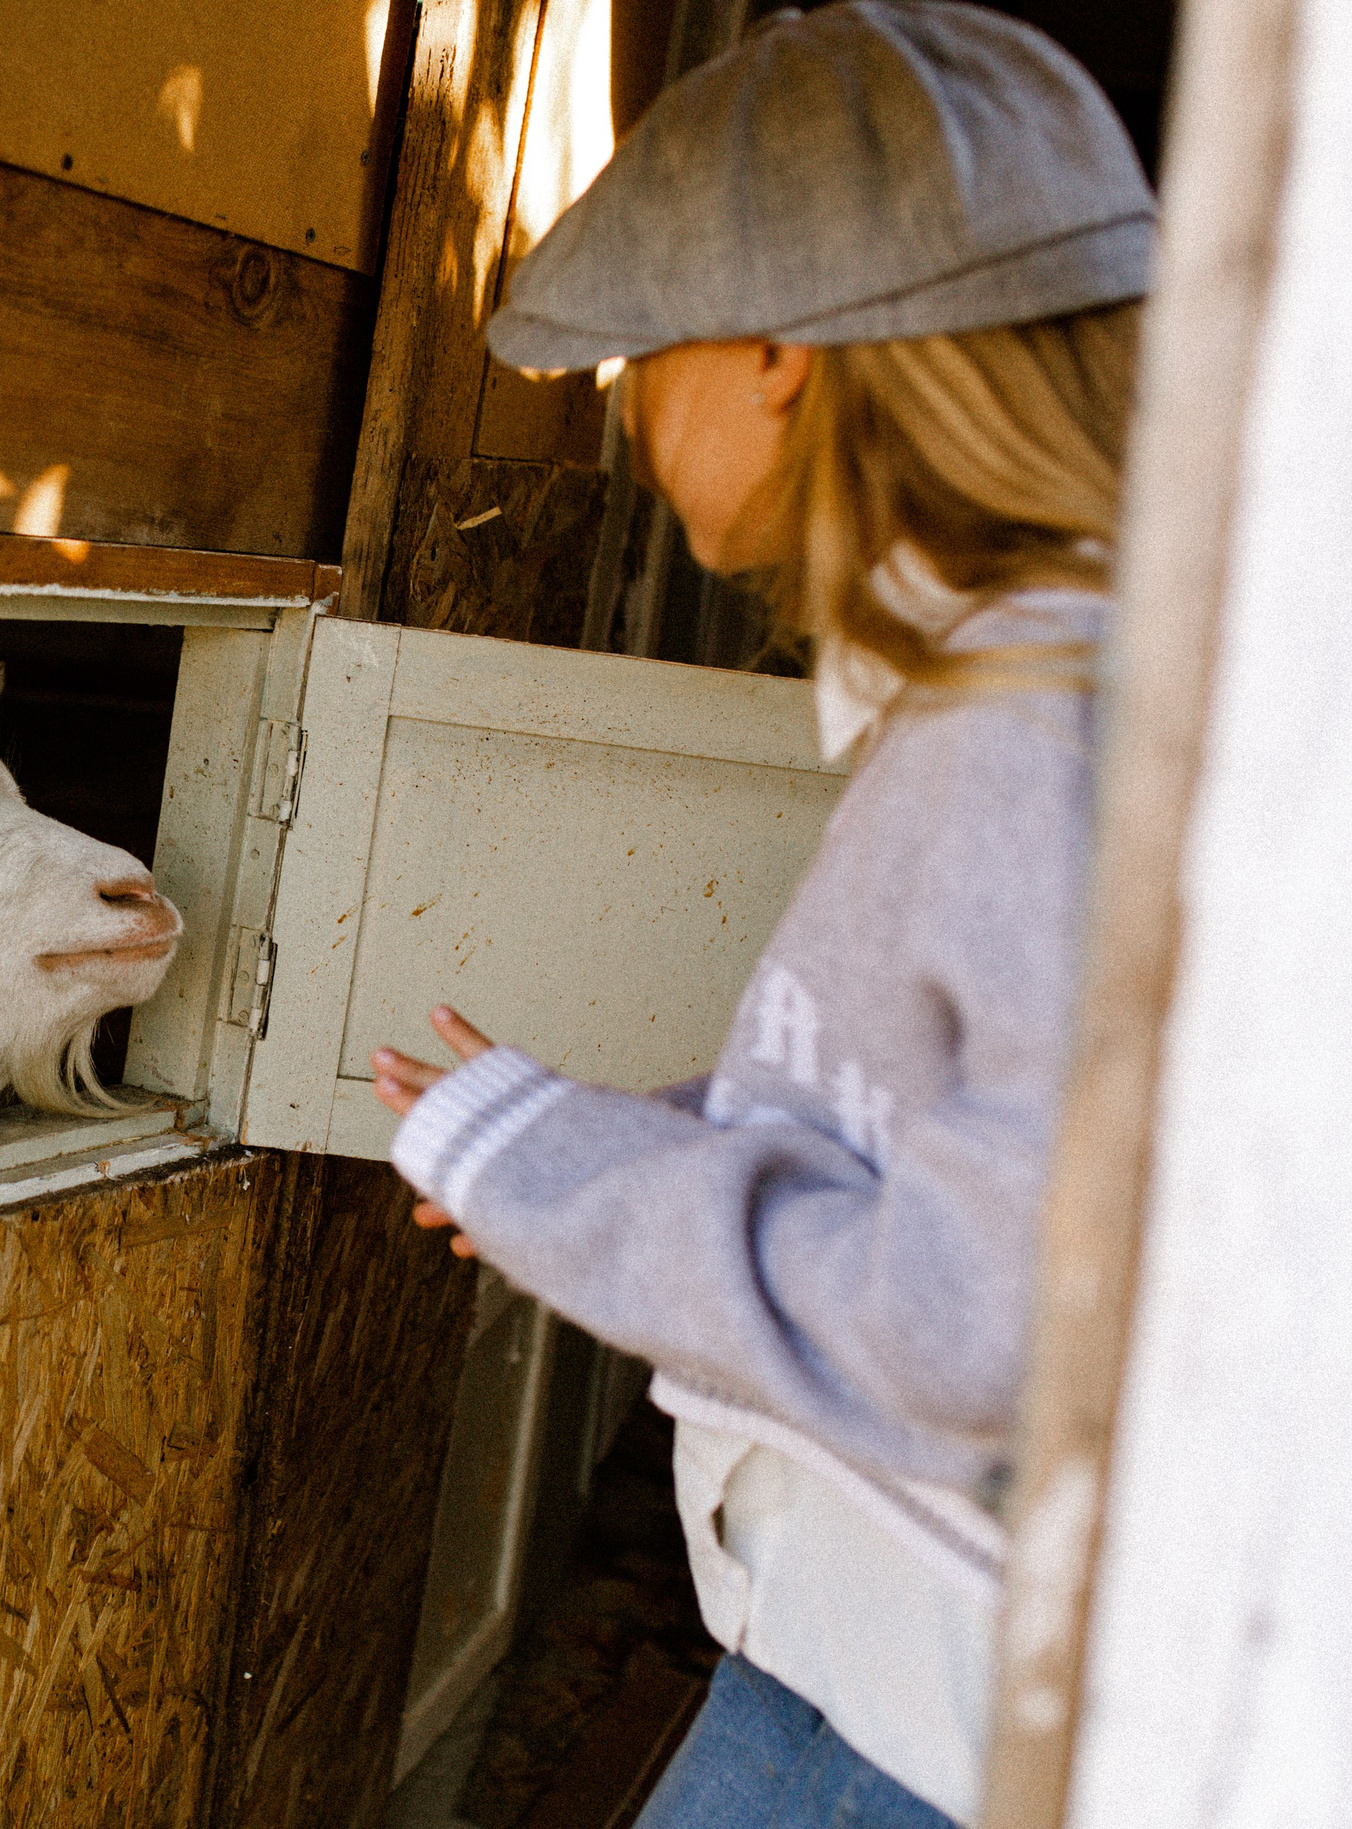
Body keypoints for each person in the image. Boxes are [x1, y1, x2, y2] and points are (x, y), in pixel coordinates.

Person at [369, 5, 1154, 1824]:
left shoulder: (1031, 730)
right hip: (895, 1675)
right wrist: (608, 1154)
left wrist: (581, 1182)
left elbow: (981, 1333)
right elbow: (972, 1158)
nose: (629, 412)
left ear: (785, 350)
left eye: (643, 353)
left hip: (921, 1728)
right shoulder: (1024, 683)